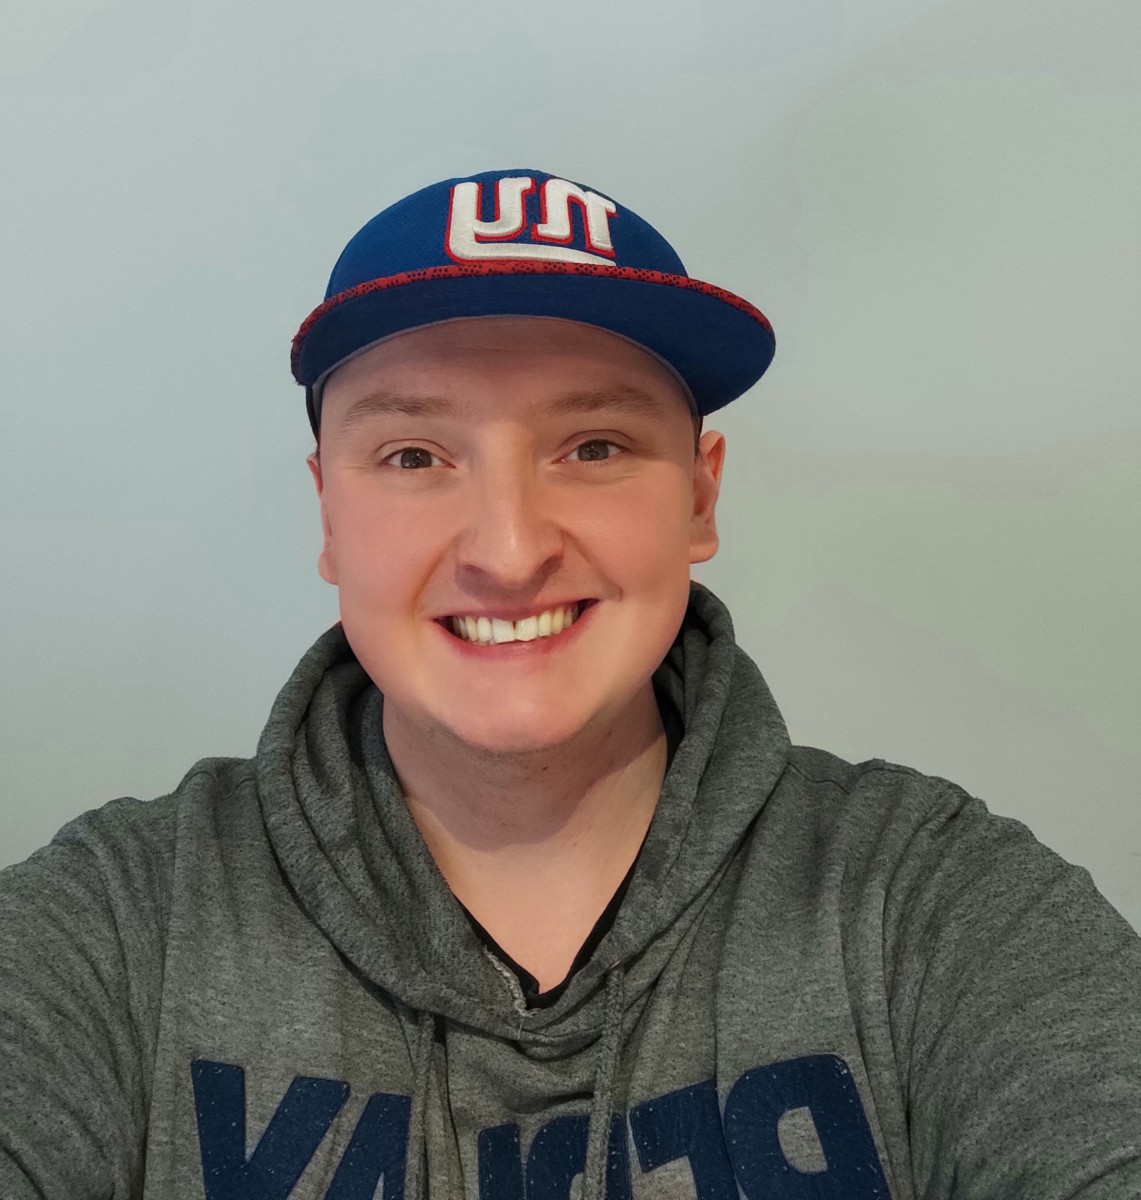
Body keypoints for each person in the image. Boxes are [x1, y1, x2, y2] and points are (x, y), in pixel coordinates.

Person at [1, 168, 1139, 1200]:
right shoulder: (116, 927)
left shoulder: (933, 906)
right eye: (413, 457)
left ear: (698, 499)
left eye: (593, 447)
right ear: (328, 516)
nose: (508, 551)